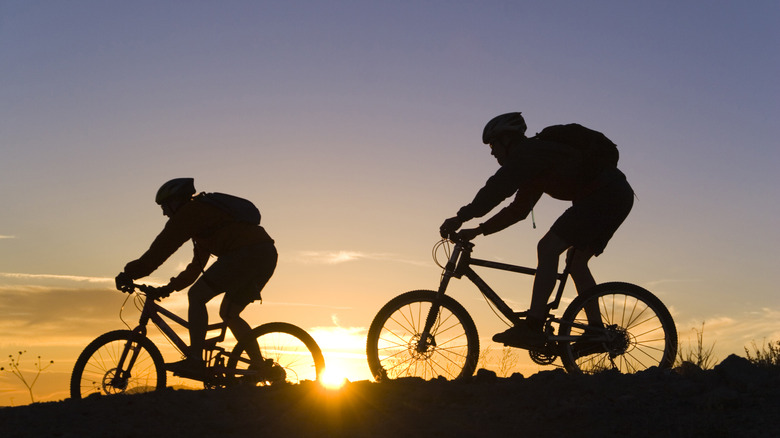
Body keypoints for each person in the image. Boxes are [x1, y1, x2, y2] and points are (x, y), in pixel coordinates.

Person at [439, 112, 634, 350]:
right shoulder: (534, 162)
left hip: (604, 195)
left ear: (507, 140)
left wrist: (461, 217)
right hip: (614, 194)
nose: (492, 152)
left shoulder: (528, 153)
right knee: (576, 262)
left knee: (548, 247)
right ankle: (596, 332)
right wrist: (479, 230)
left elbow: (496, 189)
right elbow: (518, 211)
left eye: (493, 145)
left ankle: (533, 324)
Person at [115, 178, 277, 378]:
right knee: (229, 313)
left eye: (164, 206)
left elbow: (160, 250)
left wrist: (129, 274)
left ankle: (196, 360)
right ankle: (260, 369)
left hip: (247, 254)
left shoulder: (190, 214)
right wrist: (169, 288)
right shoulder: (205, 219)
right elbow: (196, 267)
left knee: (197, 296)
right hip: (265, 255)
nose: (164, 213)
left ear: (176, 201)